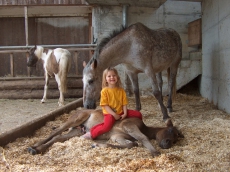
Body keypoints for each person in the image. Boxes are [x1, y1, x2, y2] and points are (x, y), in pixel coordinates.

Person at [80, 67, 143, 140]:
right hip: (109, 113)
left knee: (138, 114)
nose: (112, 77)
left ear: (117, 77)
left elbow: (124, 104)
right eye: (109, 76)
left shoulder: (121, 90)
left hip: (121, 111)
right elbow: (105, 105)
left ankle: (140, 130)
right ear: (105, 79)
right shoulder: (104, 91)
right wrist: (114, 114)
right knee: (106, 126)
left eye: (114, 75)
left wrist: (125, 113)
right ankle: (91, 133)